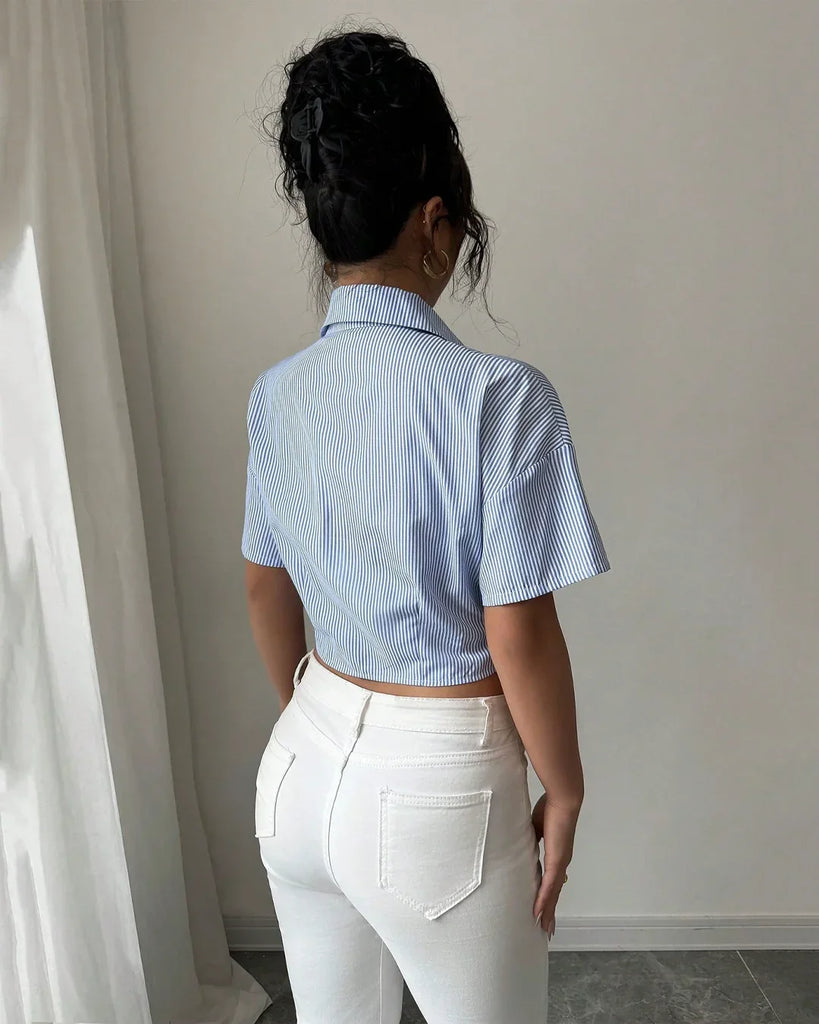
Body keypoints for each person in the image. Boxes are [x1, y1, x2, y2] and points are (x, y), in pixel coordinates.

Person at [241, 28, 610, 1024]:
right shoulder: (501, 397)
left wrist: (320, 719)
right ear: (436, 222)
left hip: (299, 768)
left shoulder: (279, 393)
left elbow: (265, 587)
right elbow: (517, 628)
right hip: (439, 796)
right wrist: (565, 789)